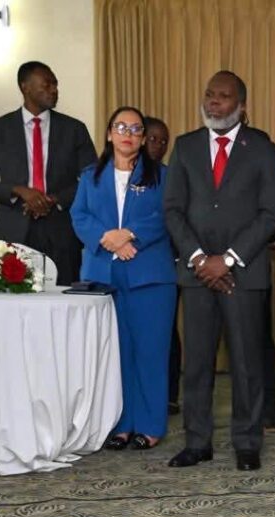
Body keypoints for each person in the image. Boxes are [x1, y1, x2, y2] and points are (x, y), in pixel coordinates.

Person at [164, 70, 275, 472]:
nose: (213, 102)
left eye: (223, 96)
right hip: (197, 274)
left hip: (243, 275)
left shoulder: (262, 148)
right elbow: (172, 210)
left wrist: (228, 258)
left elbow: (271, 212)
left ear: (241, 105)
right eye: (209, 94)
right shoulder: (185, 146)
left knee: (246, 362)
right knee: (197, 362)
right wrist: (200, 259)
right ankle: (196, 442)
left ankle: (247, 442)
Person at [70, 106, 176, 450]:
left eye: (135, 129)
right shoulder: (91, 176)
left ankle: (150, 425)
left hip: (151, 277)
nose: (128, 134)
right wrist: (107, 238)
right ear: (109, 134)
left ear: (143, 138)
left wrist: (129, 234)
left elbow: (168, 215)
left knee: (150, 352)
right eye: (121, 127)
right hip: (103, 276)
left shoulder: (162, 175)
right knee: (115, 355)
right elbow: (79, 215)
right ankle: (120, 424)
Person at [0, 61, 96, 284]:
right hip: (12, 231)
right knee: (13, 300)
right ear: (25, 87)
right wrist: (19, 191)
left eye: (55, 84)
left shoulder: (74, 129)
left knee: (62, 298)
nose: (54, 90)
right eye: (47, 84)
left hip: (61, 230)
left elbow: (92, 179)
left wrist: (55, 199)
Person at [142, 116, 183, 418]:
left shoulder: (171, 176)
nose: (158, 145)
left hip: (165, 263)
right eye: (153, 138)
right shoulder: (120, 175)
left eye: (164, 141)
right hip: (128, 263)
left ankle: (170, 395)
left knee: (166, 332)